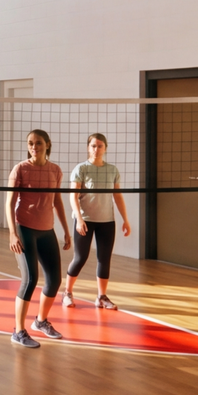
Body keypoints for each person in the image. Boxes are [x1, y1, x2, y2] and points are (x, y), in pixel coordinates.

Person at [4, 130, 72, 346]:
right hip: (25, 229)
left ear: (47, 144)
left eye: (39, 143)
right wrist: (13, 233)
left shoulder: (55, 170)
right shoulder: (20, 169)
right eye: (31, 143)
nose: (34, 147)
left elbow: (57, 202)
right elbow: (9, 203)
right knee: (30, 279)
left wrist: (66, 231)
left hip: (47, 230)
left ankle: (41, 321)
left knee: (54, 280)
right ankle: (18, 331)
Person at [64, 133, 130, 310]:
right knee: (80, 257)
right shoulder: (81, 169)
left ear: (105, 148)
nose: (96, 149)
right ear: (88, 147)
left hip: (106, 221)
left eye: (100, 146)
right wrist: (78, 218)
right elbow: (73, 197)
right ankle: (67, 292)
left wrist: (125, 219)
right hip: (85, 220)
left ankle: (101, 297)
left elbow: (117, 196)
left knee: (104, 259)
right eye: (93, 146)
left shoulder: (112, 170)